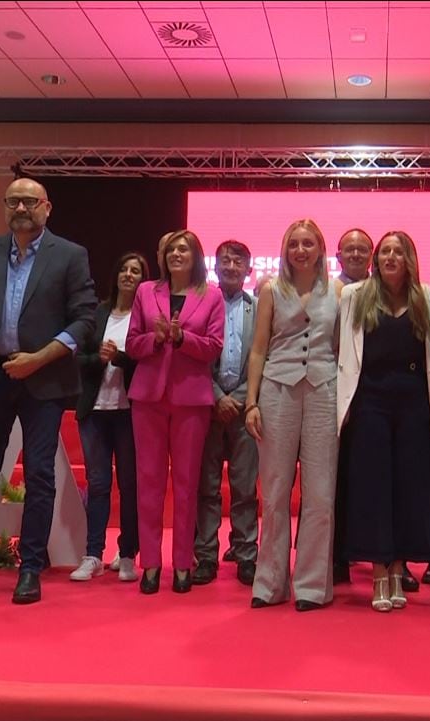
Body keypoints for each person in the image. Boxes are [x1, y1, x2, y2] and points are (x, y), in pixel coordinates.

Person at [0, 177, 97, 605]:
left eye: (30, 201)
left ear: (47, 208)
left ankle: (31, 568)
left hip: (45, 378)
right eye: (13, 201)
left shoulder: (69, 255)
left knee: (40, 476)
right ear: (5, 207)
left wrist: (40, 357)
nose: (21, 208)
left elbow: (84, 320)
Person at [245, 219, 342, 612]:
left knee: (320, 494)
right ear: (285, 250)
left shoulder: (337, 290)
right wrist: (251, 402)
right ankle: (269, 583)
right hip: (277, 391)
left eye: (308, 243)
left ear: (320, 248)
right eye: (293, 244)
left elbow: (340, 349)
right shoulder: (270, 289)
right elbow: (257, 349)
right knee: (275, 492)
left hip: (324, 392)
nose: (300, 250)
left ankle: (312, 586)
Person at [337, 231, 430, 612]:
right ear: (376, 260)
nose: (391, 257)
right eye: (385, 252)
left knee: (409, 485)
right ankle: (379, 570)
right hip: (369, 401)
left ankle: (399, 567)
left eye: (399, 251)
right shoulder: (353, 296)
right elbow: (342, 350)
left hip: (412, 402)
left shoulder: (424, 296)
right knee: (374, 487)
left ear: (409, 258)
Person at [126, 230, 224, 594]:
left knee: (186, 485)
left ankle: (183, 563)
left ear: (196, 256)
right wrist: (157, 338)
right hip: (149, 398)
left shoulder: (210, 295)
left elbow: (214, 346)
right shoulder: (146, 291)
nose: (176, 254)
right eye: (171, 249)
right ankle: (150, 564)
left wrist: (183, 339)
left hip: (191, 399)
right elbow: (133, 343)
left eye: (184, 249)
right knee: (148, 482)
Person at [70, 253, 149, 583]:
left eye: (136, 271)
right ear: (116, 275)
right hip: (95, 412)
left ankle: (128, 553)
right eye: (124, 269)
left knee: (130, 485)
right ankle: (92, 554)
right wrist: (100, 360)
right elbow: (79, 358)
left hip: (130, 413)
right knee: (98, 484)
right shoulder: (98, 312)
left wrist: (119, 358)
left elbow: (149, 361)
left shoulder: (146, 317)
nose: (129, 275)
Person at [194, 240, 260, 587]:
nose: (231, 266)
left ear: (249, 270)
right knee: (206, 487)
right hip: (208, 407)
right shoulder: (202, 303)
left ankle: (246, 554)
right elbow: (196, 356)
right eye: (225, 261)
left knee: (245, 488)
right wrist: (218, 395)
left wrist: (239, 397)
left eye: (238, 261)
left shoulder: (260, 307)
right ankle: (205, 555)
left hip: (246, 409)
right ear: (214, 267)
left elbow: (261, 356)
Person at [332, 227, 373, 584]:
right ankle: (336, 559)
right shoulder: (330, 291)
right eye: (350, 249)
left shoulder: (383, 290)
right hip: (336, 394)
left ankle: (386, 560)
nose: (357, 254)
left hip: (376, 396)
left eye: (363, 249)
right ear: (338, 256)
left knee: (376, 478)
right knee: (338, 479)